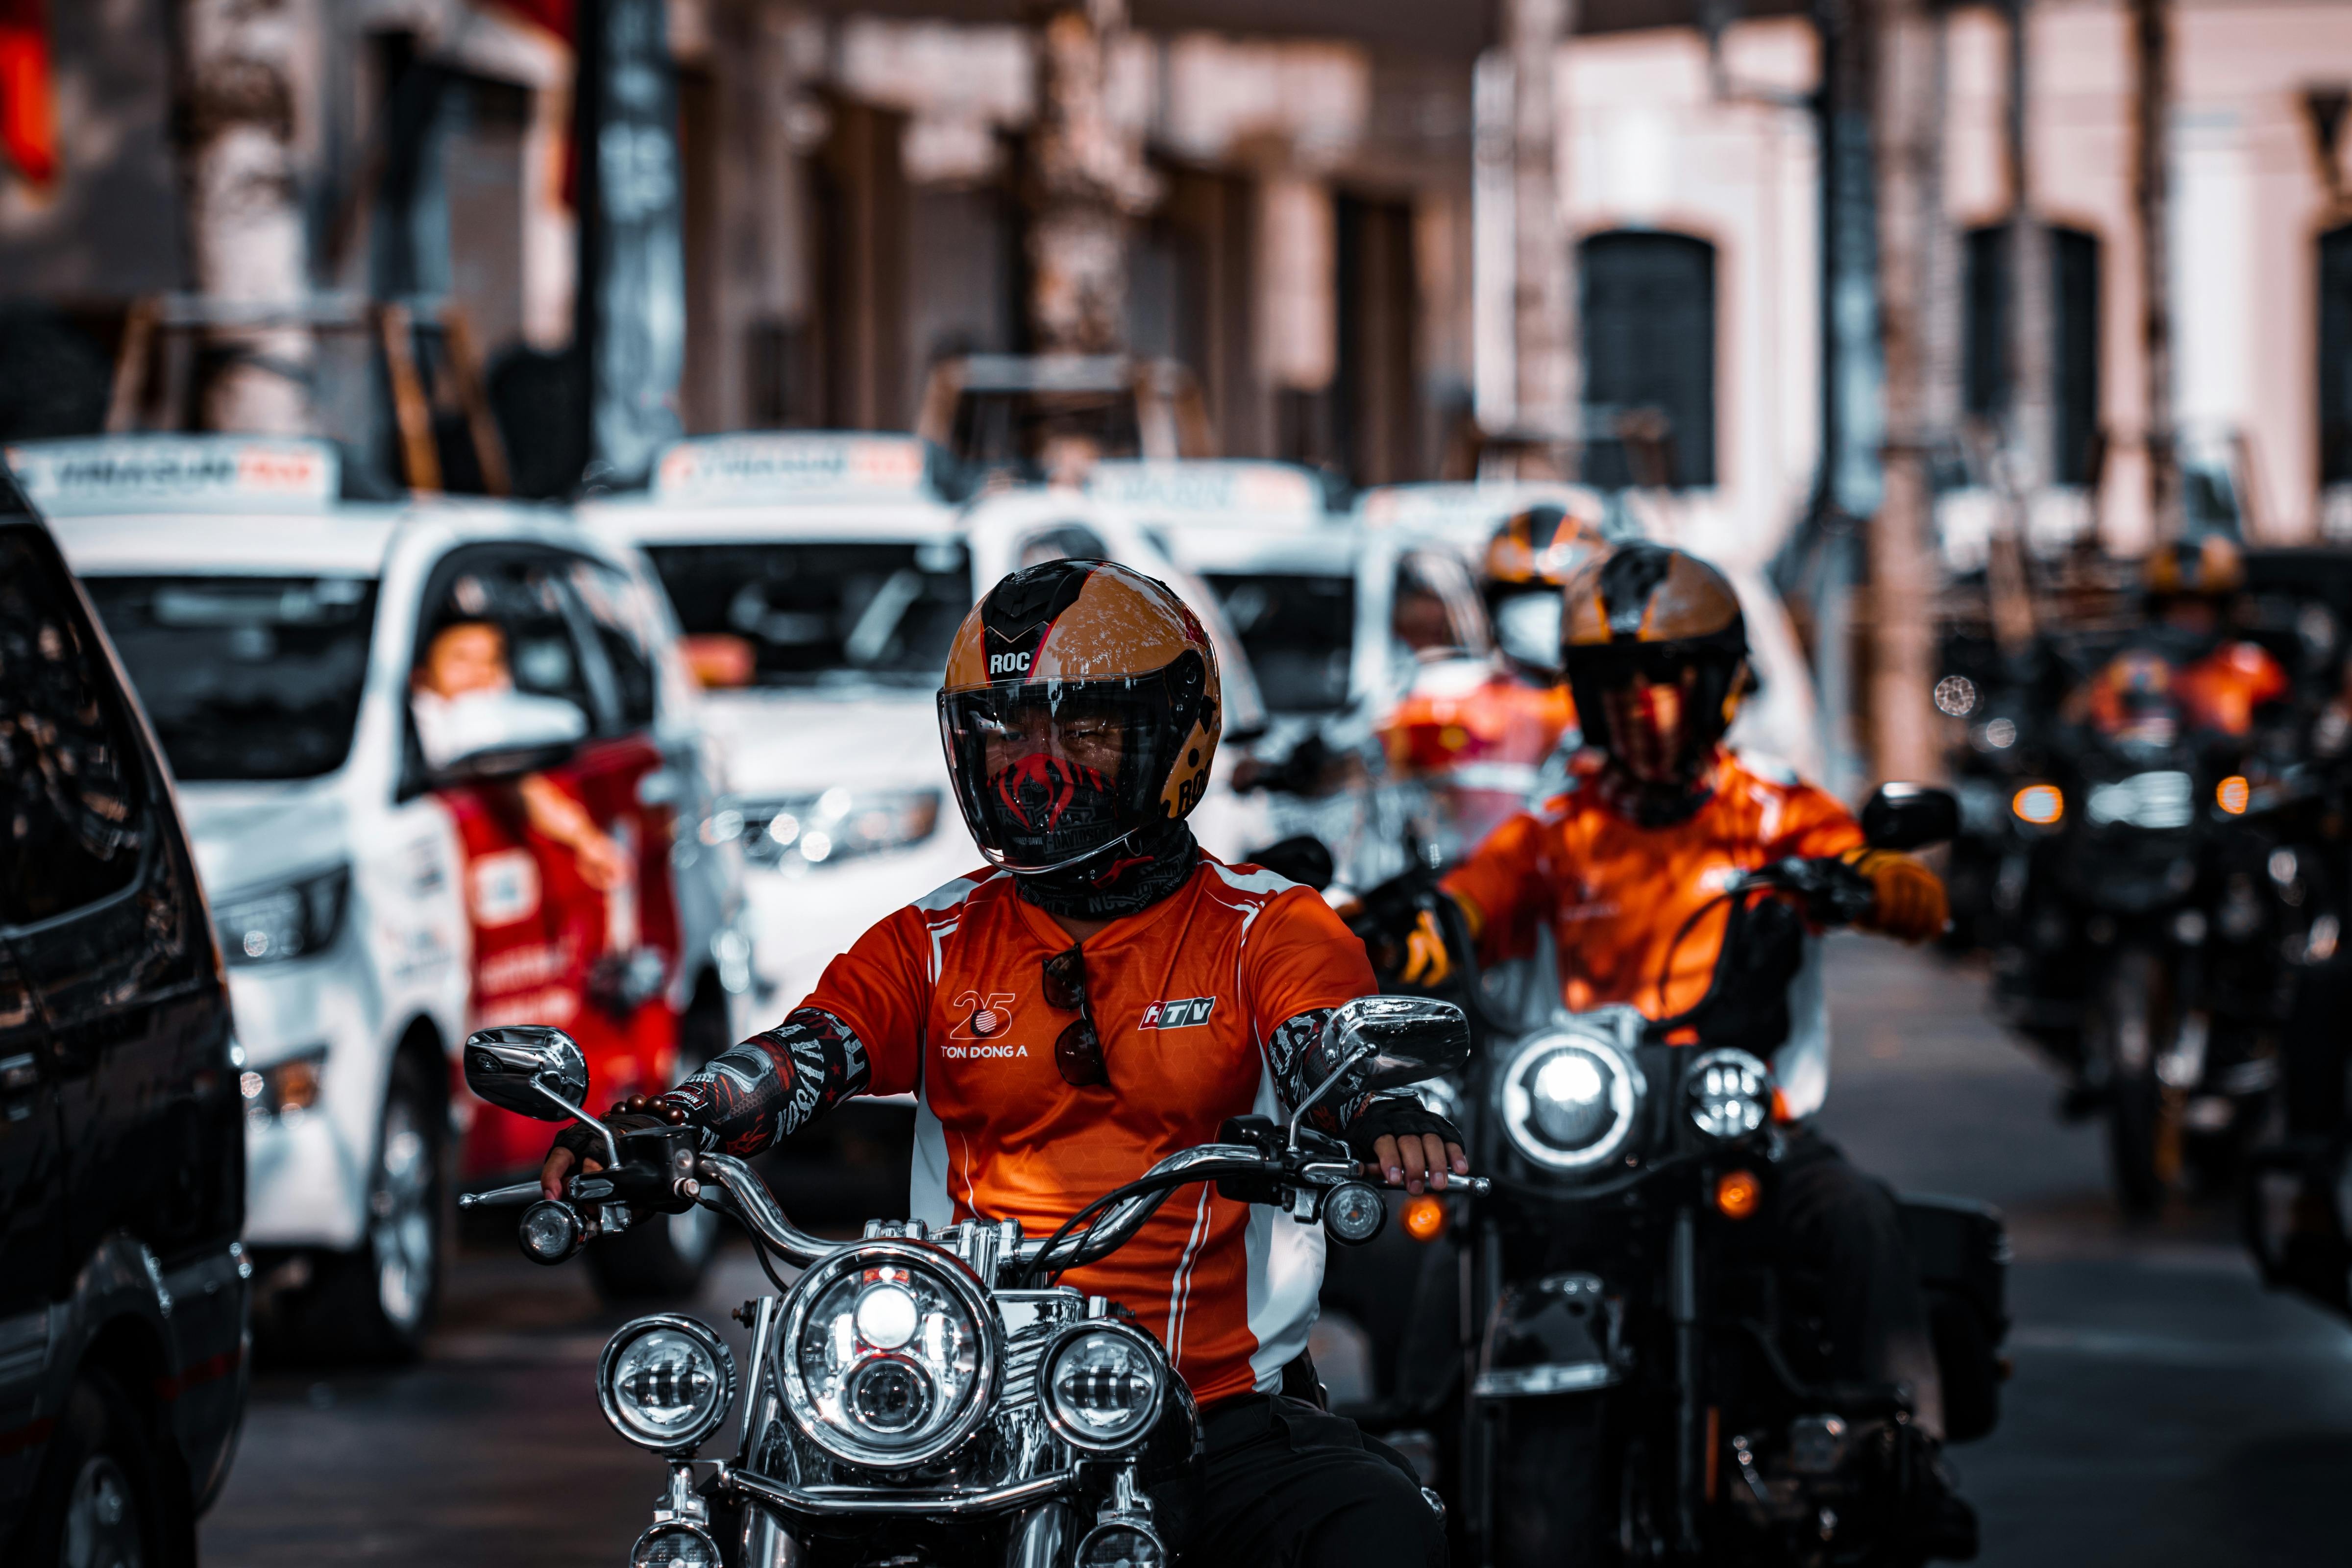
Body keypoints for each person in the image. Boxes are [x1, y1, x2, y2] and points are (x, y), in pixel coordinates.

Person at [541, 560, 1465, 1567]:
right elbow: (804, 1053)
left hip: (1213, 1422)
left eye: (1083, 731)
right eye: (1008, 731)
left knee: (1385, 1533)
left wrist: (1379, 1101)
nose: (1038, 767)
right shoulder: (932, 940)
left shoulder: (1269, 929)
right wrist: (679, 1120)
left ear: (1175, 737)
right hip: (957, 1407)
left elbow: (1329, 1036)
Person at [1384, 542, 1977, 1561]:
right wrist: (1398, 933)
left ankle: (1907, 1456)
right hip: (1583, 1122)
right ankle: (1415, 1453)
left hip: (1740, 1120)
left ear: (1720, 685)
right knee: (1452, 1227)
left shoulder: (1775, 808)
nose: (1640, 708)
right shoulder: (1554, 828)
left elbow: (1912, 894)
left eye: (1665, 680)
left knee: (1854, 1213)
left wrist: (1863, 883)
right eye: (1616, 686)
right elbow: (1467, 906)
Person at [410, 614, 629, 890]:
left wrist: (587, 840)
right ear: (420, 674)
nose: (481, 674)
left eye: (492, 660)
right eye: (461, 659)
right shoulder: (408, 727)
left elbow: (522, 786)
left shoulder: (489, 728)